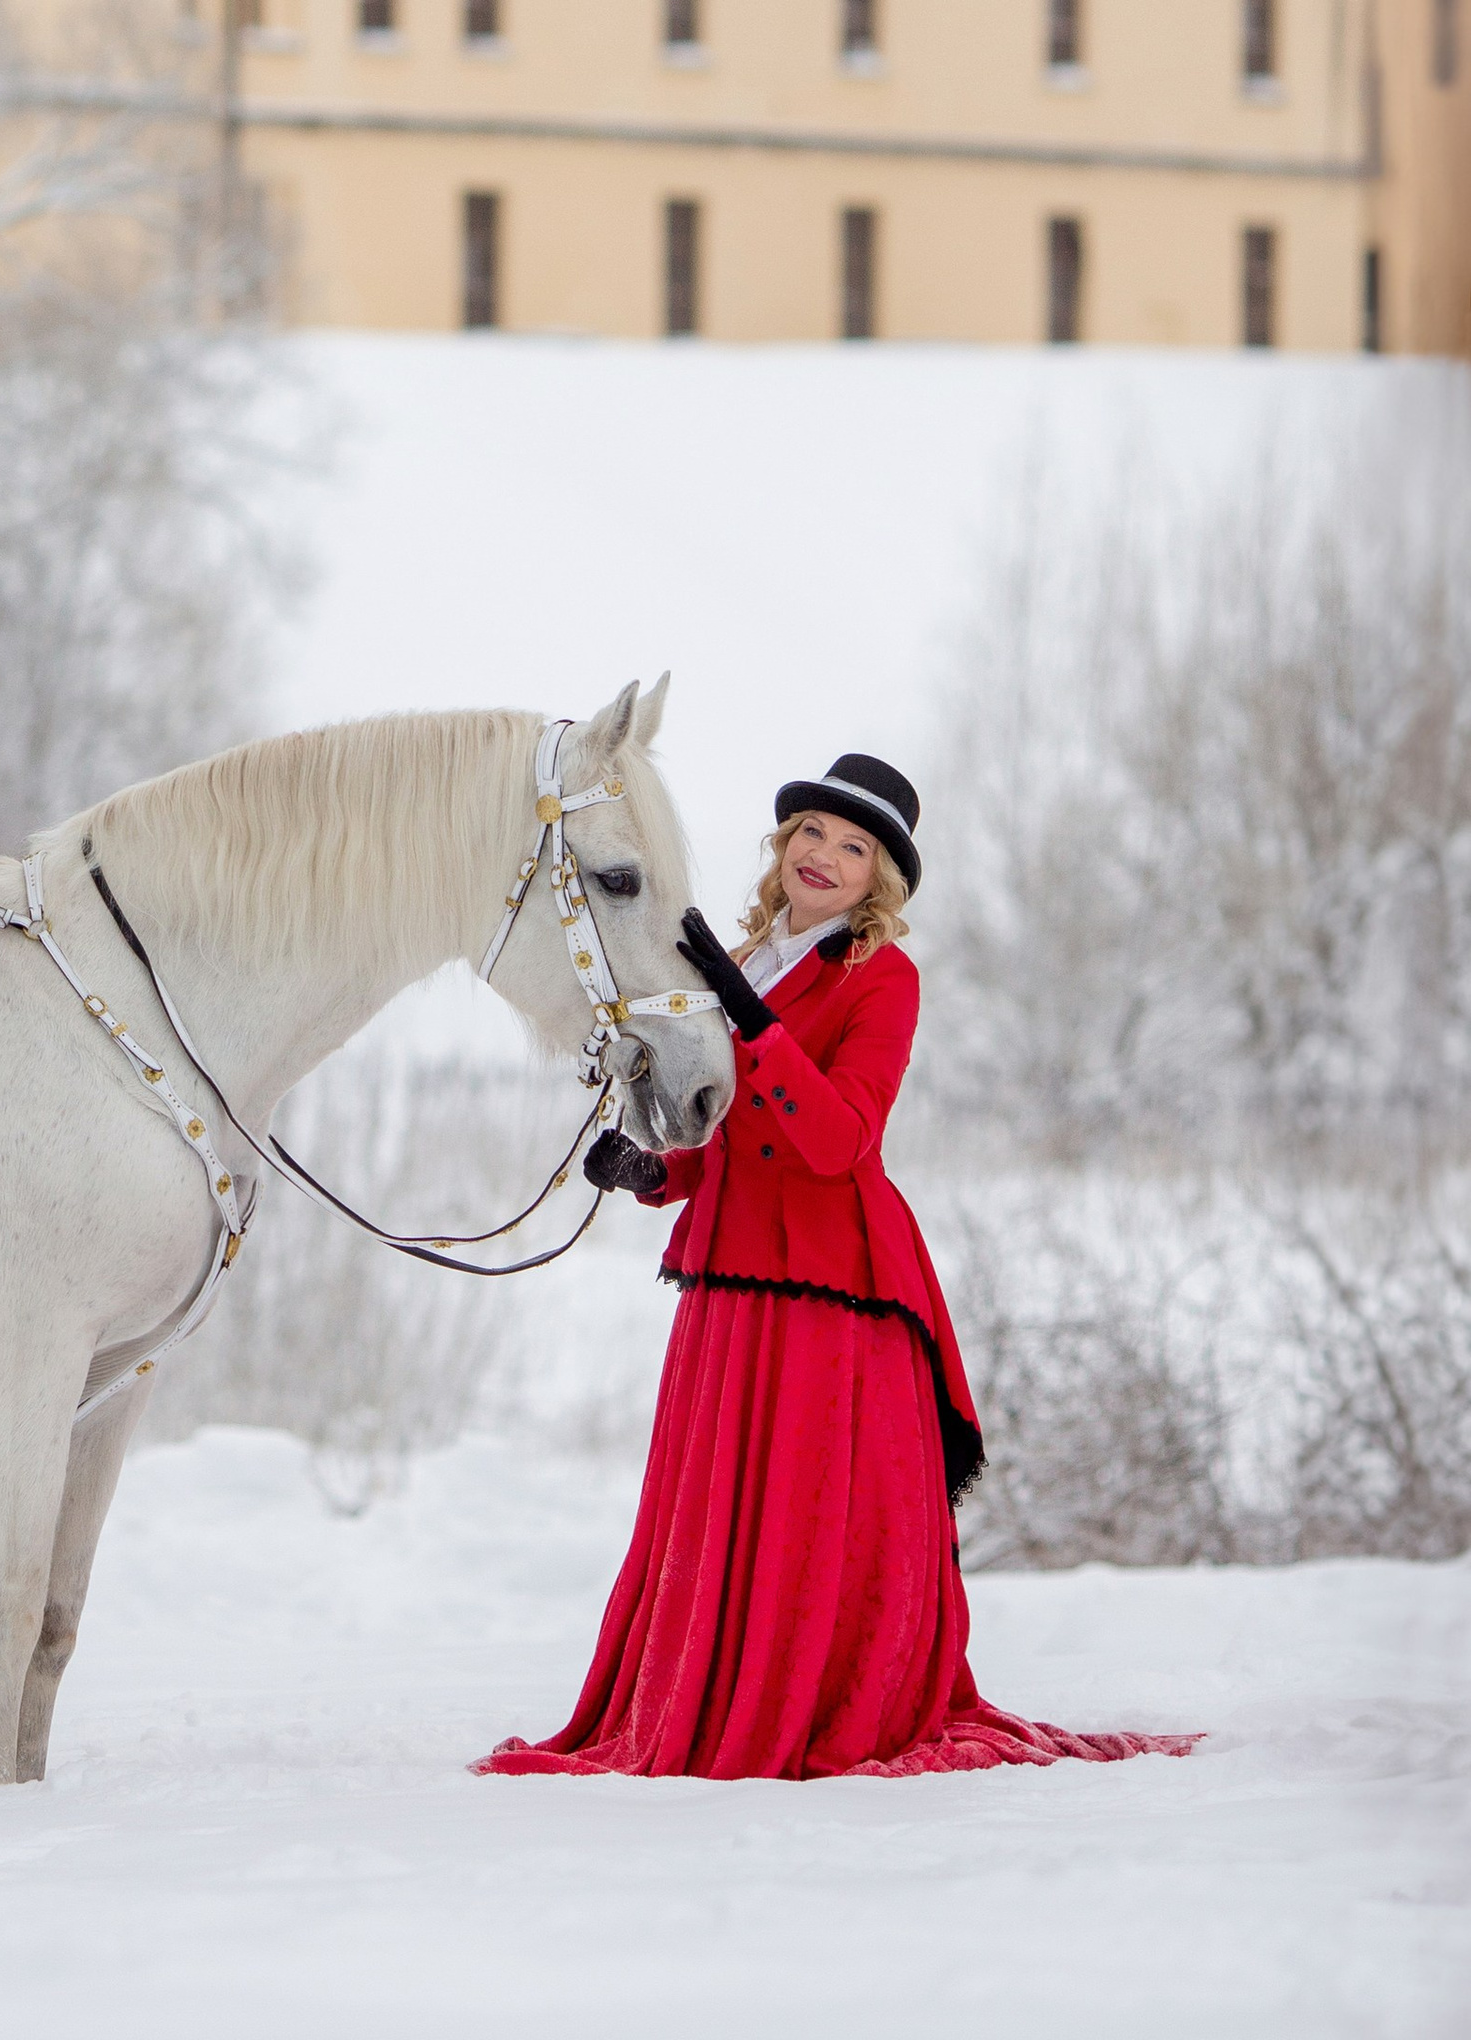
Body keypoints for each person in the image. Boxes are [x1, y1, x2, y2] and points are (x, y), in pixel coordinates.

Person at [478, 754, 1196, 1782]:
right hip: (731, 1281)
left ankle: (800, 1704)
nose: (823, 855)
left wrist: (751, 1016)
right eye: (811, 831)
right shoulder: (741, 956)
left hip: (832, 1291)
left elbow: (838, 1140)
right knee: (719, 1520)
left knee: (809, 1522)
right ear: (785, 845)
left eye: (853, 847)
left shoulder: (883, 978)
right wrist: (653, 1172)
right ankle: (710, 1693)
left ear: (877, 881)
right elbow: (724, 1132)